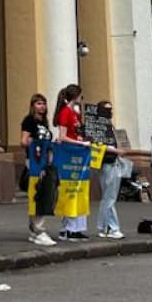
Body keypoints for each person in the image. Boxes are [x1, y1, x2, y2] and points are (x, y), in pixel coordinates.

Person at [51, 85, 91, 241]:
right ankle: (68, 228)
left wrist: (81, 140)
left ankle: (78, 227)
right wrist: (80, 144)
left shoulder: (75, 114)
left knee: (79, 191)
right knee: (70, 191)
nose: (82, 100)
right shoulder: (66, 112)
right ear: (76, 96)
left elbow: (75, 133)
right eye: (81, 96)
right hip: (69, 155)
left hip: (78, 156)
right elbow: (62, 136)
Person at [19, 93, 58, 246]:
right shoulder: (29, 121)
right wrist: (37, 143)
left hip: (45, 162)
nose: (42, 106)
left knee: (39, 194)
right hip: (34, 162)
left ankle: (33, 230)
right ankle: (39, 230)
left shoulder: (45, 122)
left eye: (44, 103)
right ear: (32, 106)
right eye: (38, 103)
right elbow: (23, 141)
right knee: (39, 194)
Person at [93, 101, 127, 239]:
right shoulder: (100, 127)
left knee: (107, 196)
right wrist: (116, 150)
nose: (110, 112)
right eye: (107, 110)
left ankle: (103, 227)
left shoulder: (109, 126)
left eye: (111, 109)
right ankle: (113, 228)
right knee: (110, 197)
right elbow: (98, 144)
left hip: (112, 161)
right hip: (107, 161)